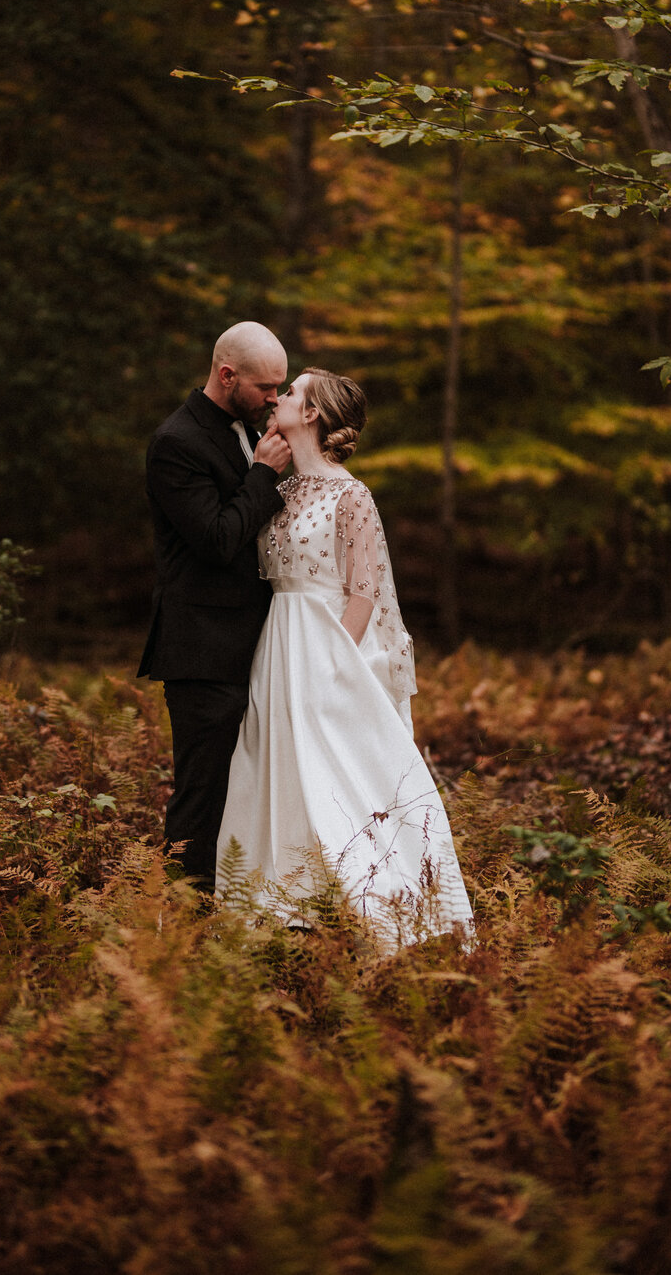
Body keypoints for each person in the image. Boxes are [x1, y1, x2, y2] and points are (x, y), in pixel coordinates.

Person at [216, 368, 473, 946]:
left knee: (338, 776)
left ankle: (385, 906)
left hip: (327, 646)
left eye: (292, 393)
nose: (278, 398)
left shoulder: (351, 494)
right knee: (271, 763)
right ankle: (283, 905)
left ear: (311, 415)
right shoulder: (277, 491)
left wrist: (336, 669)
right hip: (276, 643)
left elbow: (365, 590)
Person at [138, 322, 292, 889]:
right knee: (201, 791)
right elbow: (217, 539)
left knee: (247, 785)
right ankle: (183, 921)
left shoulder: (246, 429)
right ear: (227, 376)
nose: (276, 398)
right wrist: (263, 475)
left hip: (254, 643)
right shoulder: (176, 443)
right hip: (202, 648)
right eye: (267, 387)